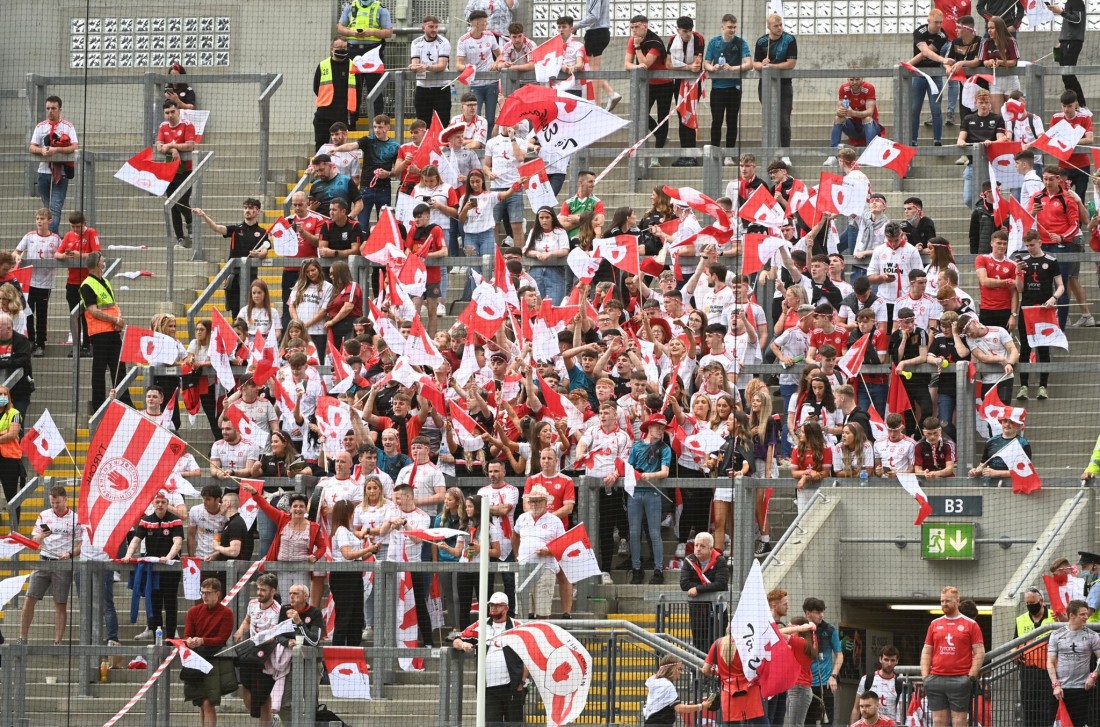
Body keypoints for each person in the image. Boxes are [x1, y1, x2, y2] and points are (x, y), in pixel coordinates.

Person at [452, 592, 528, 725]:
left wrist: (522, 681)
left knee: (515, 724)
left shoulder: (518, 626)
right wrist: (464, 645)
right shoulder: (480, 625)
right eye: (491, 605)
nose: (493, 608)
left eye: (498, 606)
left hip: (513, 687)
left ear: (506, 608)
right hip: (488, 690)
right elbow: (456, 641)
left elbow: (529, 656)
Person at [1033, 161, 1092, 330]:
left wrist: (1061, 236)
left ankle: (1061, 326)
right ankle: (1044, 323)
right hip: (1042, 247)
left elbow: (1075, 225)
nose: (1047, 182)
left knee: (1062, 285)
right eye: (1044, 179)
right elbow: (1026, 217)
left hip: (1063, 247)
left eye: (1050, 179)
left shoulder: (1068, 198)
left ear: (1058, 179)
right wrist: (1032, 213)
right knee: (1041, 285)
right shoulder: (1037, 197)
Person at [18, 485, 78, 645]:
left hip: (63, 563)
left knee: (60, 603)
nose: (55, 506)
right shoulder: (44, 515)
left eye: (57, 502)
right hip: (44, 560)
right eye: (52, 502)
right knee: (29, 598)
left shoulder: (75, 518)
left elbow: (81, 544)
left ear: (65, 499)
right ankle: (22, 637)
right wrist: (39, 536)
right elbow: (34, 540)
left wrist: (70, 554)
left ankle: (58, 641)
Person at [921, 586, 985, 727]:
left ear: (957, 601)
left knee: (959, 721)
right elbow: (926, 651)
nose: (944, 604)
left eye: (948, 601)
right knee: (938, 721)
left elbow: (980, 652)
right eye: (942, 601)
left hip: (959, 679)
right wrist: (925, 677)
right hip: (936, 678)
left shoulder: (971, 625)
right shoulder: (935, 624)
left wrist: (970, 677)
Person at [125, 490, 184, 640]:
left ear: (167, 504)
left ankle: (171, 636)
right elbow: (136, 540)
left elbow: (177, 542)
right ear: (153, 504)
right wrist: (128, 554)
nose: (160, 505)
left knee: (170, 603)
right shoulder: (146, 521)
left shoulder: (175, 520)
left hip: (170, 569)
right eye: (157, 502)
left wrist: (168, 557)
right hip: (153, 570)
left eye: (163, 502)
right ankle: (156, 635)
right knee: (155, 602)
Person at [182, 577, 236, 727]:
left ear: (218, 594)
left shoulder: (226, 613)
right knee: (201, 702)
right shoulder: (193, 611)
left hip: (214, 660)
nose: (204, 596)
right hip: (195, 659)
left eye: (208, 592)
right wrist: (189, 641)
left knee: (208, 701)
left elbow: (222, 639)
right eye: (203, 592)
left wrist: (202, 640)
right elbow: (186, 635)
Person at [81, 251, 131, 410]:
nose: (105, 262)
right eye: (103, 260)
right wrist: (115, 320)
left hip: (113, 331)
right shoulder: (87, 285)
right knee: (99, 369)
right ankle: (98, 405)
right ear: (97, 264)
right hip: (99, 333)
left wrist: (119, 319)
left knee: (119, 367)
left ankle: (124, 401)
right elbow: (94, 311)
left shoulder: (105, 281)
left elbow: (113, 305)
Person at [233, 573, 282, 726]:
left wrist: (259, 639)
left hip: (266, 655)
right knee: (247, 697)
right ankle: (270, 720)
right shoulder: (253, 604)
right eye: (258, 589)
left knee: (263, 696)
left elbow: (273, 636)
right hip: (250, 652)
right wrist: (241, 630)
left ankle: (268, 722)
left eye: (263, 590)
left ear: (273, 591)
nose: (259, 593)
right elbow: (248, 620)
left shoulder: (277, 610)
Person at [625, 15, 674, 168]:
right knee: (640, 113)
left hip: (665, 84)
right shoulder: (632, 40)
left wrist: (638, 48)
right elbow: (627, 64)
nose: (634, 30)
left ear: (645, 27)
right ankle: (660, 136)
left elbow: (647, 63)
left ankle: (656, 156)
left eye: (636, 27)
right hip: (648, 85)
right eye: (632, 27)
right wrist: (637, 67)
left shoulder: (655, 42)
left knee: (663, 117)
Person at [511, 484, 566, 618]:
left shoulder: (555, 520)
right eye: (532, 501)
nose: (534, 504)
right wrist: (518, 555)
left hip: (546, 568)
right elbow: (515, 535)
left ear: (546, 502)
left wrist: (549, 551)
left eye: (538, 500)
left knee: (543, 611)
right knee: (522, 610)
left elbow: (563, 544)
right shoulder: (522, 518)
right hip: (523, 567)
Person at [704, 14, 752, 163]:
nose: (732, 30)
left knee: (732, 121)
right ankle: (715, 153)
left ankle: (730, 154)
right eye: (730, 27)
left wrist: (733, 68)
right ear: (722, 26)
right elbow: (706, 63)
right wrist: (712, 68)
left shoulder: (740, 42)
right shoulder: (714, 43)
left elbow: (749, 63)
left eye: (734, 27)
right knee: (716, 121)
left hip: (734, 89)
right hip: (717, 89)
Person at [29, 95, 79, 235]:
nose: (50, 111)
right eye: (48, 108)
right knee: (47, 209)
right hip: (44, 172)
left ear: (60, 109)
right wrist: (42, 151)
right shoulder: (40, 127)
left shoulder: (68, 126)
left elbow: (75, 146)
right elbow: (32, 147)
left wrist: (57, 150)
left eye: (53, 108)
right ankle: (51, 237)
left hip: (61, 174)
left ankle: (53, 239)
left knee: (55, 207)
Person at [336, 0, 394, 121]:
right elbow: (340, 27)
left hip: (372, 52)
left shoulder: (380, 8)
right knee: (353, 87)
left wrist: (371, 33)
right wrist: (352, 33)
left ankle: (378, 121)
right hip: (353, 51)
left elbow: (388, 32)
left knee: (375, 87)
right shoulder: (350, 6)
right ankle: (351, 121)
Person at [1047, 599, 1100, 727]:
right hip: (1060, 690)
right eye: (1082, 614)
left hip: (1082, 690)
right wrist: (1056, 685)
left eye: (1086, 614)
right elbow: (1050, 662)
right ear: (1072, 615)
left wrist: (1094, 675)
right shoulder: (1056, 635)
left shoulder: (1092, 636)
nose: (1086, 617)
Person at [15, 208, 60, 356]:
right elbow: (17, 251)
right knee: (28, 312)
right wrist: (17, 256)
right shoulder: (29, 236)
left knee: (42, 313)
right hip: (29, 282)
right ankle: (30, 341)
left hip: (45, 282)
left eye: (42, 218)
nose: (39, 221)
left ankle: (41, 344)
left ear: (49, 221)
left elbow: (62, 253)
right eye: (37, 219)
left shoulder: (56, 239)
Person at [55, 211, 99, 356]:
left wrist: (80, 255)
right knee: (75, 315)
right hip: (72, 282)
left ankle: (87, 345)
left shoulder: (91, 233)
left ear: (84, 224)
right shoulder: (68, 236)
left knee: (88, 314)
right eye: (73, 227)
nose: (75, 230)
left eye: (78, 227)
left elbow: (97, 254)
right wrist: (64, 256)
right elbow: (57, 253)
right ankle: (76, 345)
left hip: (88, 282)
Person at [703, 629, 769, 724]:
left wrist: (719, 672)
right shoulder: (748, 644)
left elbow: (705, 669)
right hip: (751, 690)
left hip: (728, 691)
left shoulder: (717, 644)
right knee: (761, 723)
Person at [753, 14, 798, 154]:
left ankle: (785, 153)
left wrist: (771, 67)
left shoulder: (790, 39)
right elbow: (755, 64)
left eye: (780, 25)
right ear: (768, 27)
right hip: (765, 85)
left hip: (784, 85)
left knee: (784, 120)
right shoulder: (761, 42)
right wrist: (763, 64)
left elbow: (791, 64)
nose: (779, 28)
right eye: (775, 26)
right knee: (769, 119)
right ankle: (769, 150)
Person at [156, 100, 198, 247]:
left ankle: (190, 222)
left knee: (182, 202)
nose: (170, 115)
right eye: (167, 113)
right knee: (172, 205)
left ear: (178, 111)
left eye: (173, 112)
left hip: (186, 171)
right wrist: (173, 150)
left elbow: (190, 146)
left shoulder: (187, 125)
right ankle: (180, 238)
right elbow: (159, 147)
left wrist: (172, 145)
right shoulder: (163, 127)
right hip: (169, 171)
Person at [1014, 587, 1058, 726]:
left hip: (1049, 672)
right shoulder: (1021, 619)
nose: (1030, 606)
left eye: (1033, 602)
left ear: (1041, 600)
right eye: (1027, 603)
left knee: (1047, 711)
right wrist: (1013, 654)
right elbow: (1015, 642)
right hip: (1028, 672)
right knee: (1029, 710)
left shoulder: (1054, 616)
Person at [867, 222, 924, 329]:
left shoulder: (912, 251)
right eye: (890, 241)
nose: (893, 244)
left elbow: (919, 276)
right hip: (884, 300)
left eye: (896, 240)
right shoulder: (879, 250)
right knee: (886, 333)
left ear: (902, 235)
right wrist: (882, 277)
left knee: (905, 332)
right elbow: (870, 277)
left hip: (905, 300)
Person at [957, 88, 1007, 209]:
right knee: (969, 198)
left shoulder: (997, 118)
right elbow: (960, 139)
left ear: (990, 102)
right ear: (975, 102)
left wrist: (992, 142)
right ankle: (979, 215)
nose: (984, 105)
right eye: (981, 102)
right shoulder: (968, 119)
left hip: (991, 164)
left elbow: (1001, 138)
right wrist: (962, 142)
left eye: (986, 102)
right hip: (972, 164)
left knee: (992, 198)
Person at [679, 531, 729, 653]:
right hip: (697, 611)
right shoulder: (688, 561)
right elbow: (684, 584)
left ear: (711, 548)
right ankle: (701, 670)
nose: (698, 549)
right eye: (696, 545)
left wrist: (698, 589)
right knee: (699, 644)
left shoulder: (720, 561)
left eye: (702, 546)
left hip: (716, 610)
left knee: (717, 644)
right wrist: (707, 587)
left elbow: (721, 583)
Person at [666, 17, 704, 167]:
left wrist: (686, 67)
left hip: (694, 83)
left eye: (690, 31)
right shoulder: (672, 40)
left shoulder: (698, 38)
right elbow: (668, 64)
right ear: (678, 30)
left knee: (691, 116)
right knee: (682, 116)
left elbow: (697, 64)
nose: (688, 34)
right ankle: (684, 154)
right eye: (684, 31)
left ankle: (692, 155)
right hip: (679, 83)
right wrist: (687, 68)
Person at [958, 312, 1018, 405]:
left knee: (1003, 409)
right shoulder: (970, 339)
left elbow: (1013, 350)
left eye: (968, 329)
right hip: (987, 379)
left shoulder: (999, 331)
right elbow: (982, 357)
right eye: (966, 333)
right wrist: (1000, 359)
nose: (969, 334)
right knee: (989, 412)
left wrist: (1010, 363)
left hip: (1005, 378)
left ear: (975, 322)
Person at [908, 10, 949, 147]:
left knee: (936, 108)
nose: (938, 25)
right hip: (919, 74)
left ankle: (937, 140)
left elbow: (926, 53)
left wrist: (909, 63)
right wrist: (943, 60)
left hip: (935, 74)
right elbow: (925, 52)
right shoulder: (919, 32)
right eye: (936, 22)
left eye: (940, 22)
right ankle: (912, 140)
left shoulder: (942, 35)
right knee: (914, 109)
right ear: (929, 21)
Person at [803, 597, 843, 726]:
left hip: (824, 685)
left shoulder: (830, 630)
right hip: (805, 685)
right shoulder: (799, 630)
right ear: (808, 613)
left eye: (822, 611)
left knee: (827, 722)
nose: (822, 615)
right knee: (807, 723)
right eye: (818, 612)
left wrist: (833, 676)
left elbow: (839, 655)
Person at [456, 11, 500, 128]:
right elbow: (458, 65)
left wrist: (496, 63)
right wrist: (468, 68)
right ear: (475, 22)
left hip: (492, 82)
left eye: (486, 21)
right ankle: (476, 143)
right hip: (475, 84)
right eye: (484, 21)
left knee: (490, 119)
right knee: (476, 116)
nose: (486, 24)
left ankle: (488, 143)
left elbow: (500, 54)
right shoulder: (463, 40)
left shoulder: (490, 36)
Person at [484, 124, 526, 246]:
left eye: (511, 123)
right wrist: (488, 173)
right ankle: (495, 258)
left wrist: (512, 138)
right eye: (505, 123)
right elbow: (486, 165)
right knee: (494, 224)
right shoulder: (492, 142)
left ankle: (519, 258)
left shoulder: (521, 142)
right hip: (496, 188)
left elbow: (520, 158)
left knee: (517, 225)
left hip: (515, 188)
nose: (508, 126)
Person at [826, 74, 882, 160]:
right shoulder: (843, 88)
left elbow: (870, 112)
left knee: (867, 118)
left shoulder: (869, 88)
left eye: (857, 79)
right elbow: (840, 110)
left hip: (870, 126)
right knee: (838, 118)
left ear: (862, 78)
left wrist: (853, 113)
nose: (854, 82)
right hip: (853, 128)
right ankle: (833, 154)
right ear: (848, 79)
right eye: (852, 80)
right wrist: (839, 112)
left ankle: (870, 155)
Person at [313, 38, 354, 150]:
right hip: (324, 112)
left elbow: (358, 90)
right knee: (321, 145)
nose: (342, 50)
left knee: (341, 146)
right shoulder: (323, 65)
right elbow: (316, 87)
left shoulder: (352, 66)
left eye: (344, 48)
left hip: (343, 113)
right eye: (339, 48)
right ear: (332, 49)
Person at [409, 16, 451, 125]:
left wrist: (426, 67)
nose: (434, 30)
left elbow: (442, 65)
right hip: (423, 87)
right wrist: (413, 68)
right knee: (422, 123)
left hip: (441, 88)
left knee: (443, 123)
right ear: (423, 27)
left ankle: (441, 142)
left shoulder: (444, 42)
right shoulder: (416, 43)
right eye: (431, 26)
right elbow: (415, 64)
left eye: (436, 27)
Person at [642, 655, 707, 724]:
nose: (680, 672)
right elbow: (679, 708)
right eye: (679, 669)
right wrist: (701, 706)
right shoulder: (667, 685)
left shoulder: (657, 682)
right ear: (670, 669)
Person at [850, 646, 903, 723]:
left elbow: (901, 715)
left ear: (897, 661)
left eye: (892, 660)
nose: (889, 664)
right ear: (880, 659)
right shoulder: (867, 679)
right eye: (886, 659)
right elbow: (856, 708)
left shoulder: (900, 683)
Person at [1050, 0, 1087, 107]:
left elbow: (1077, 20)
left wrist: (1061, 12)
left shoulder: (1076, 2)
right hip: (1066, 42)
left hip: (1073, 41)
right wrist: (1062, 41)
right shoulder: (1069, 2)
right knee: (1065, 75)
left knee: (1068, 74)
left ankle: (1081, 105)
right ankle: (1073, 105)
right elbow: (1069, 24)